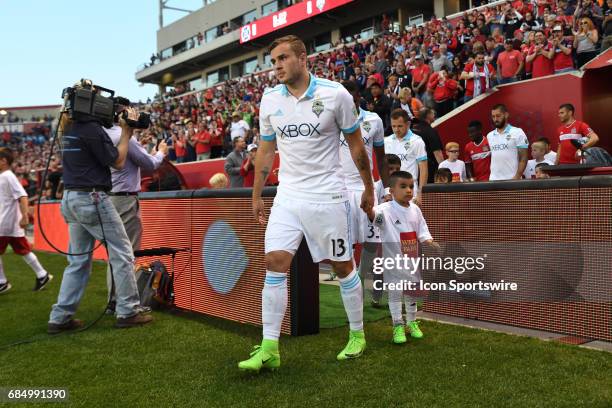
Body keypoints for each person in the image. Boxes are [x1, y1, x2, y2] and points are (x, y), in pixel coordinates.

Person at [239, 35, 374, 372]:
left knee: (342, 266)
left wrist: (369, 188)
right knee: (275, 262)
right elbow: (267, 150)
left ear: (302, 57)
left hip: (328, 195)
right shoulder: (270, 100)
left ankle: (357, 335)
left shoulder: (335, 94)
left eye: (283, 58)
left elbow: (357, 147)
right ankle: (270, 346)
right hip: (287, 196)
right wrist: (257, 195)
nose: (277, 67)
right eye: (273, 62)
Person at [48, 93, 152, 334]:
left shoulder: (70, 129)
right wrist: (126, 133)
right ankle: (128, 311)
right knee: (123, 252)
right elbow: (117, 161)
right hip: (92, 198)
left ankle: (60, 317)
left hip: (71, 198)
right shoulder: (91, 129)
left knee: (78, 261)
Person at [103, 98, 168, 312]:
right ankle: (127, 303)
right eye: (129, 112)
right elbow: (150, 164)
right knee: (128, 252)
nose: (134, 115)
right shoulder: (125, 139)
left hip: (111, 197)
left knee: (115, 253)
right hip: (124, 198)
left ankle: (114, 300)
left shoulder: (105, 134)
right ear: (121, 114)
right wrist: (161, 152)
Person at [367, 171, 440, 343]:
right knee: (395, 292)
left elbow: (422, 229)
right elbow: (375, 219)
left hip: (412, 260)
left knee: (411, 292)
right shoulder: (385, 209)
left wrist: (429, 240)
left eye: (411, 186)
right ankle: (397, 325)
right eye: (403, 186)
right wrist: (368, 210)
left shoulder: (415, 209)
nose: (409, 190)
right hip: (393, 261)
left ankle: (412, 322)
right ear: (391, 191)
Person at [338, 80, 388, 305]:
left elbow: (381, 157)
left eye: (351, 94)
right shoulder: (332, 120)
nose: (347, 98)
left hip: (365, 188)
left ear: (358, 96)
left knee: (371, 240)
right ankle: (352, 286)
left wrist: (386, 189)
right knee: (345, 241)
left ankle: (360, 275)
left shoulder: (373, 120)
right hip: (339, 189)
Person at [0, 147, 52, 294]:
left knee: (22, 249)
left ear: (4, 161)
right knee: (22, 249)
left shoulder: (8, 176)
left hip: (6, 222)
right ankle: (42, 275)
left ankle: (2, 282)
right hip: (8, 221)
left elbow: (23, 196)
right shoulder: (4, 176)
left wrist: (24, 216)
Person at [385, 109, 428, 204]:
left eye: (400, 126)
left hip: (409, 190)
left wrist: (421, 192)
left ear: (408, 124)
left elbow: (423, 168)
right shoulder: (386, 141)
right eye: (394, 126)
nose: (396, 129)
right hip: (390, 191)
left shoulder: (417, 141)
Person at [487, 104, 529, 181]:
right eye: (493, 116)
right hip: (493, 180)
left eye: (498, 116)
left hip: (512, 180)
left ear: (506, 115)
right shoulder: (489, 135)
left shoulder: (518, 132)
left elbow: (524, 158)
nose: (495, 119)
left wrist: (517, 176)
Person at [412, 108, 444, 184]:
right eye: (432, 113)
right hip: (429, 169)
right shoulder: (430, 131)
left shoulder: (413, 130)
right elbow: (437, 152)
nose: (434, 115)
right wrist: (443, 169)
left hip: (414, 168)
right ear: (428, 115)